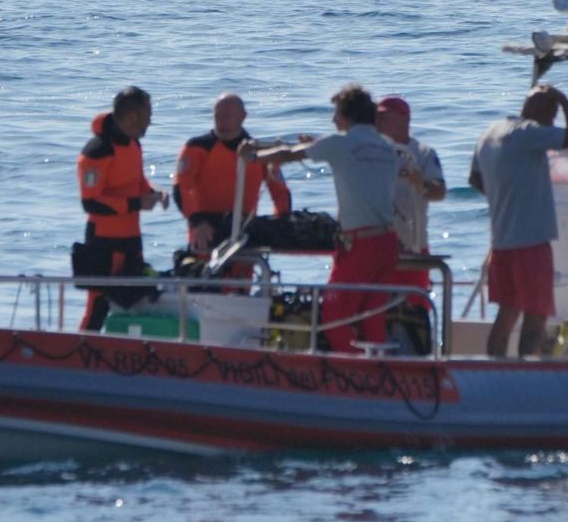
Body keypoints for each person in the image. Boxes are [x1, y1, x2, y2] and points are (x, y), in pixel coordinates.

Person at [244, 84, 399, 351]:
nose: (332, 119)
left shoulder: (341, 143)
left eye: (336, 113)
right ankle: (378, 371)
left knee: (333, 313)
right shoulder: (387, 148)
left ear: (346, 116)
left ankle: (351, 371)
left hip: (360, 245)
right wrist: (317, 145)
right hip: (387, 243)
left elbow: (286, 155)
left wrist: (252, 156)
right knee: (372, 317)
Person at [468, 84, 568, 358]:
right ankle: (527, 371)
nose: (554, 120)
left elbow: (475, 179)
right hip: (531, 243)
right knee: (536, 317)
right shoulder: (529, 132)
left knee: (507, 314)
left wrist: (506, 198)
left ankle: (496, 369)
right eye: (554, 113)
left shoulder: (490, 133)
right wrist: (564, 98)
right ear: (543, 111)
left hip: (502, 242)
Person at [76, 86, 168, 331]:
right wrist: (136, 204)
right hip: (103, 241)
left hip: (131, 238)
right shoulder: (97, 150)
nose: (151, 122)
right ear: (131, 118)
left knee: (136, 296)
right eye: (148, 116)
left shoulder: (133, 144)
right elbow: (91, 202)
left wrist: (153, 193)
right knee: (98, 304)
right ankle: (83, 349)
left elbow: (136, 181)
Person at [174, 93, 291, 251]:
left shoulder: (259, 152)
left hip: (245, 229)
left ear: (243, 116)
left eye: (227, 115)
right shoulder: (198, 148)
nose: (221, 121)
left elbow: (280, 193)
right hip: (206, 230)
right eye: (217, 116)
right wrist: (197, 222)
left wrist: (282, 225)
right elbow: (180, 187)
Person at [376, 96, 446, 271]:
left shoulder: (423, 153)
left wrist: (420, 184)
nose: (377, 123)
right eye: (376, 118)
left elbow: (440, 192)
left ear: (404, 119)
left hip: (413, 246)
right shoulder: (372, 153)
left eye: (383, 118)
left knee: (414, 297)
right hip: (378, 246)